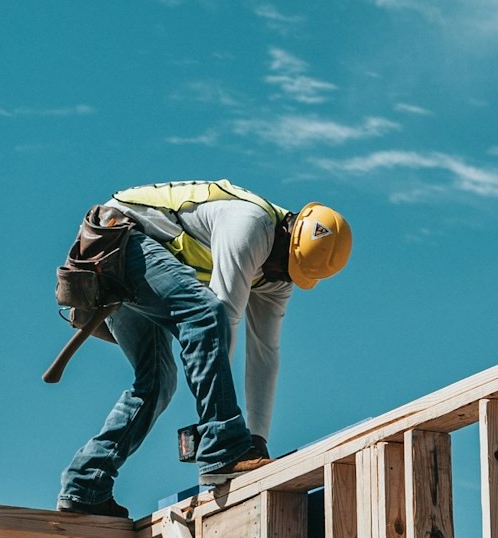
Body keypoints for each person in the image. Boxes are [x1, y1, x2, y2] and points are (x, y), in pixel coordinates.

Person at [55, 179, 352, 516]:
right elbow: (220, 317)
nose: (278, 276)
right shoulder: (251, 225)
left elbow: (264, 355)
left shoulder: (277, 276)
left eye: (289, 273)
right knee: (205, 312)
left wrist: (257, 440)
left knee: (156, 383)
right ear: (287, 232)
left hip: (131, 260)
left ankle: (85, 484)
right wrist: (224, 437)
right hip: (116, 241)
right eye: (282, 264)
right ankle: (223, 446)